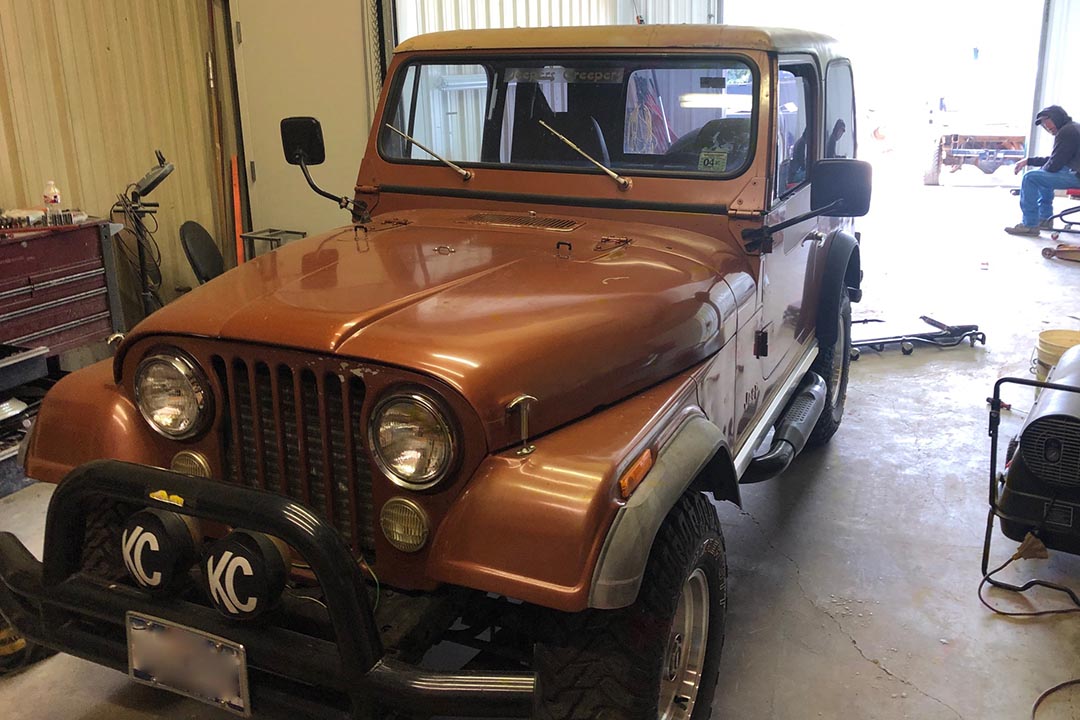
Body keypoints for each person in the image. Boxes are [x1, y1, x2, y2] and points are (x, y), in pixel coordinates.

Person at [1005, 105, 1080, 236]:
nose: (1046, 126)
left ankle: (1030, 225)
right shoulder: (1073, 127)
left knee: (1030, 177)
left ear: (1057, 117)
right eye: (1044, 124)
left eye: (1047, 121)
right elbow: (1056, 160)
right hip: (1075, 171)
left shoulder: (1067, 132)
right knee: (1042, 174)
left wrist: (1036, 169)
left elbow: (1054, 165)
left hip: (1077, 176)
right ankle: (1044, 219)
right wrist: (1029, 161)